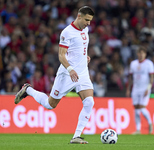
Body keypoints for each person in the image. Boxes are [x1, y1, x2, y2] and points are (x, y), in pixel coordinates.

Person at [14, 6, 95, 144]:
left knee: (89, 102)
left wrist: (84, 57)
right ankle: (28, 89)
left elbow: (79, 48)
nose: (88, 23)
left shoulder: (85, 30)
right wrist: (70, 69)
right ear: (79, 16)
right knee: (50, 105)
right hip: (67, 74)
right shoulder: (67, 32)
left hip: (82, 73)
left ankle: (76, 136)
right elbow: (61, 55)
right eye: (87, 20)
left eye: (90, 21)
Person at [126, 46, 154, 134]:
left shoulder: (149, 64)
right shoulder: (133, 64)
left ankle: (150, 123)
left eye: (143, 53)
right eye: (140, 53)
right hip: (135, 88)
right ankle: (138, 129)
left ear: (145, 54)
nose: (141, 55)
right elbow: (130, 77)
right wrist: (128, 89)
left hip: (144, 88)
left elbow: (152, 77)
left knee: (142, 108)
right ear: (137, 54)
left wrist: (149, 87)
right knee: (136, 109)